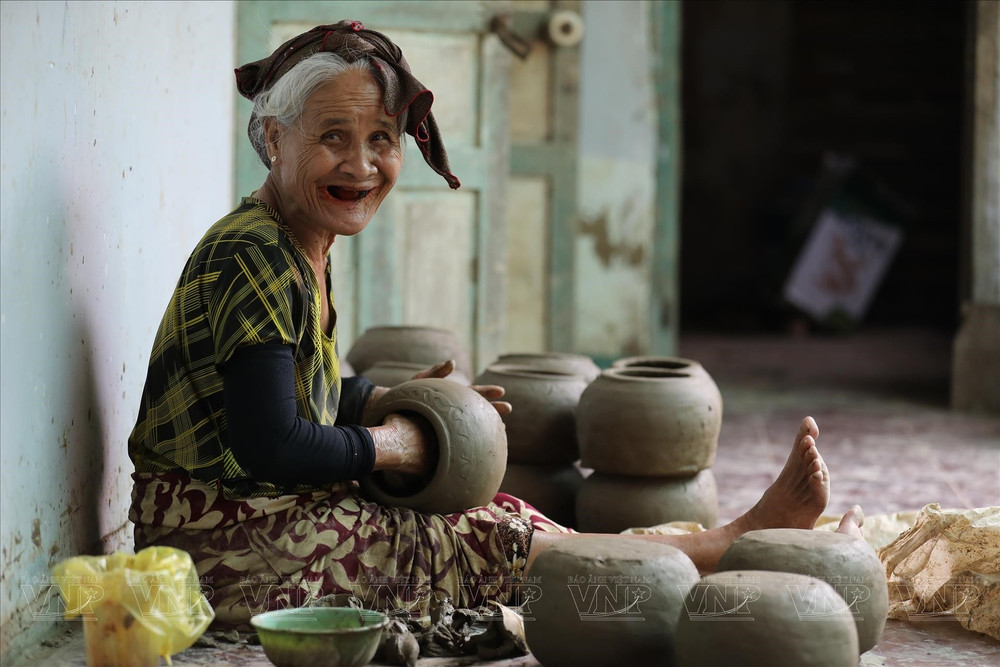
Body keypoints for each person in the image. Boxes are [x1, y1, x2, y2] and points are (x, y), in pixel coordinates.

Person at [128, 20, 863, 627]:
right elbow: (271, 444)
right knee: (474, 538)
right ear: (274, 139)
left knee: (502, 512)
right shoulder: (253, 253)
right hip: (214, 543)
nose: (361, 163)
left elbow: (284, 391)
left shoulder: (298, 239)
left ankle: (701, 549)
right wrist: (393, 441)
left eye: (382, 138)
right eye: (333, 137)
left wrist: (379, 398)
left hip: (256, 507)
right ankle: (718, 550)